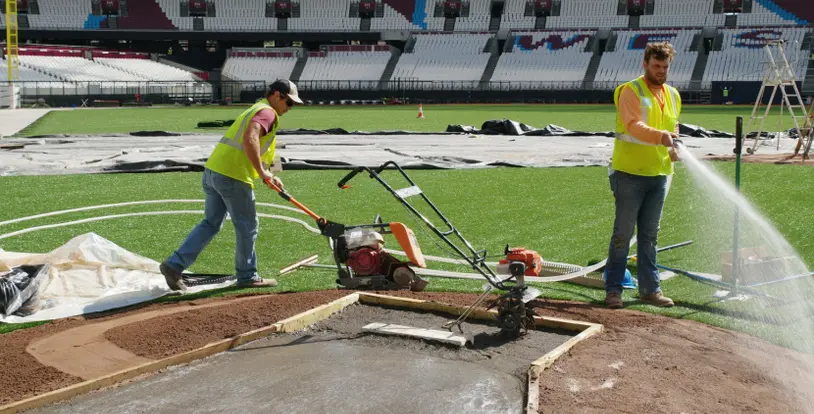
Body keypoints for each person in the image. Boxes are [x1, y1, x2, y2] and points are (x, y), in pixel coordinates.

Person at [160, 79, 304, 291]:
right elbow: (250, 138)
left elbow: (258, 147)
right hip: (234, 176)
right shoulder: (267, 112)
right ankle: (248, 275)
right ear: (276, 94)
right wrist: (263, 173)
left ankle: (174, 265)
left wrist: (270, 173)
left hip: (214, 171)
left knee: (211, 223)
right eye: (288, 102)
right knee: (247, 226)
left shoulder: (256, 108)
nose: (289, 108)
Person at [605, 42, 681, 309]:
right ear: (645, 64)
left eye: (665, 66)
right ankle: (613, 290)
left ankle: (651, 290)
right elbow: (633, 126)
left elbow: (673, 126)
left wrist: (673, 146)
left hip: (659, 174)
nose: (661, 71)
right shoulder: (631, 91)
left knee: (650, 235)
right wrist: (662, 137)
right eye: (656, 66)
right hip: (629, 173)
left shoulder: (672, 94)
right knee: (623, 234)